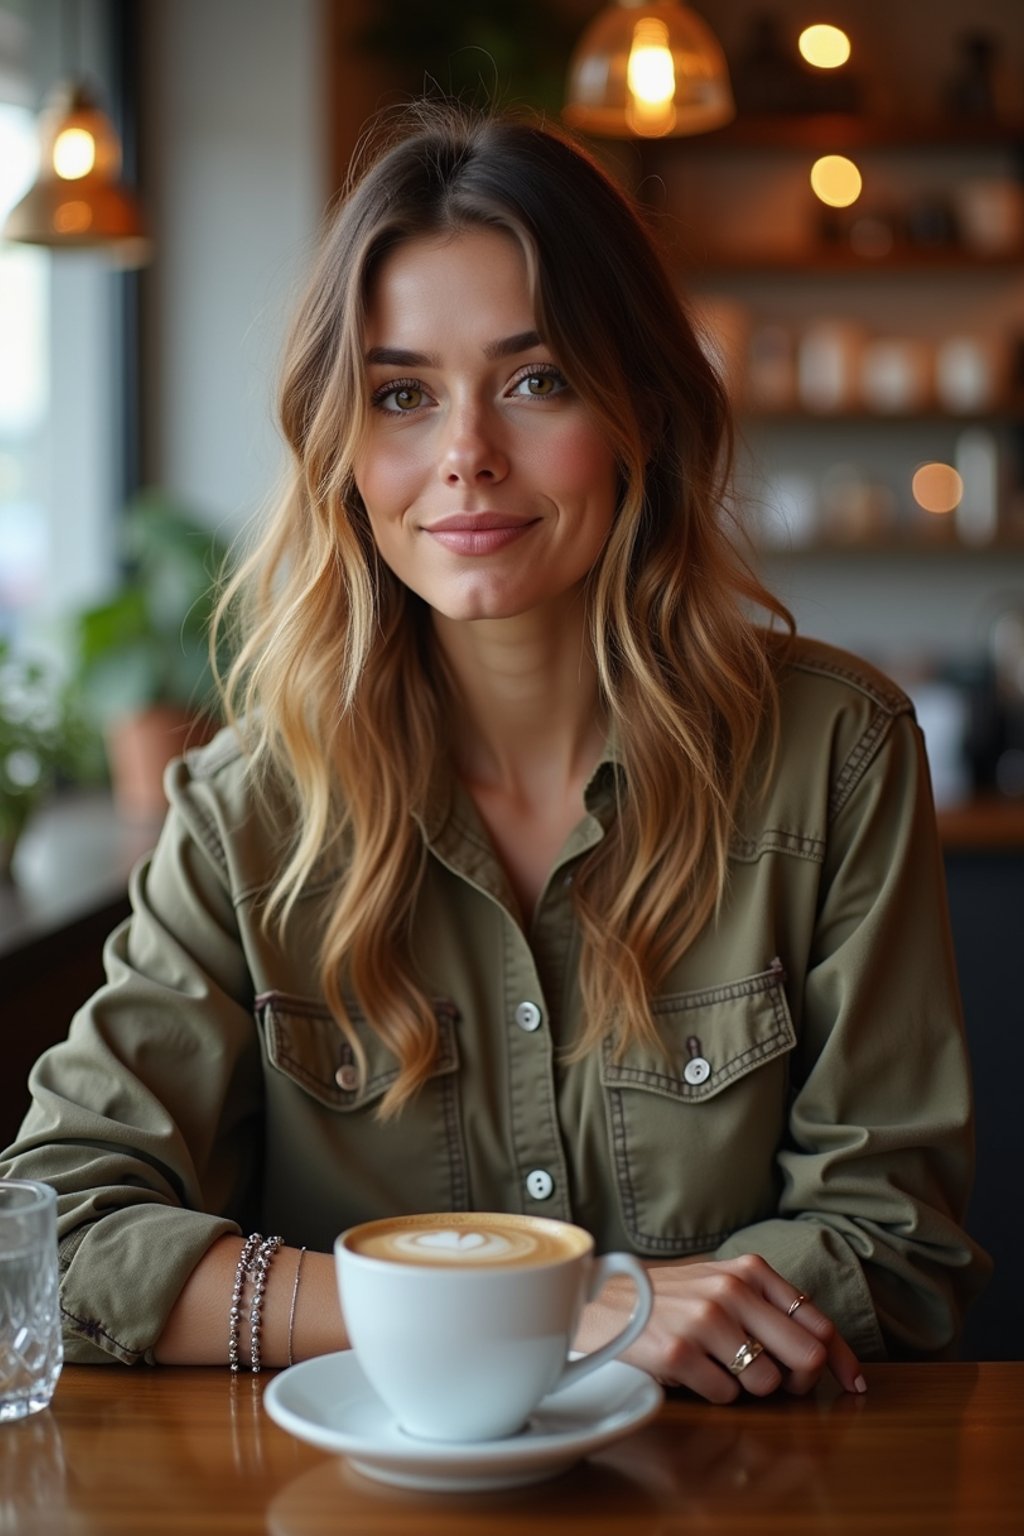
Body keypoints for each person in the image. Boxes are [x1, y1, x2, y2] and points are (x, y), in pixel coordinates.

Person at [1, 102, 989, 1403]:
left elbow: (895, 1243)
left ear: (641, 407)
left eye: (536, 380)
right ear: (342, 448)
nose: (465, 456)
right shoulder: (250, 812)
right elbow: (57, 1224)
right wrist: (559, 1312)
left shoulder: (837, 757)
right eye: (401, 394)